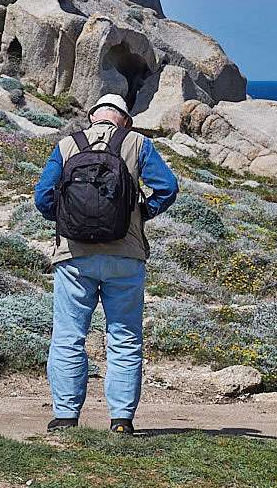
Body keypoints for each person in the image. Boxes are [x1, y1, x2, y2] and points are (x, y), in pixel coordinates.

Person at [34, 94, 179, 435]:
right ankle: (121, 421)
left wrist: (67, 220)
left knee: (69, 336)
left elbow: (43, 196)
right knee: (125, 337)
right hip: (125, 255)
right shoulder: (138, 143)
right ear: (124, 120)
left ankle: (66, 418)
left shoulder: (68, 144)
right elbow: (167, 188)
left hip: (75, 256)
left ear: (93, 118)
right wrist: (142, 213)